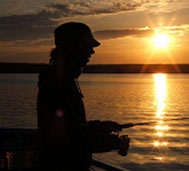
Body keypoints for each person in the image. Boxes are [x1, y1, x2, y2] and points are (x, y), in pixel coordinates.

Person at [37, 22, 130, 171]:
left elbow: (74, 127)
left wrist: (100, 126)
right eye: (87, 46)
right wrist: (115, 143)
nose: (92, 52)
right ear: (71, 46)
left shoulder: (64, 80)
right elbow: (70, 139)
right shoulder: (58, 84)